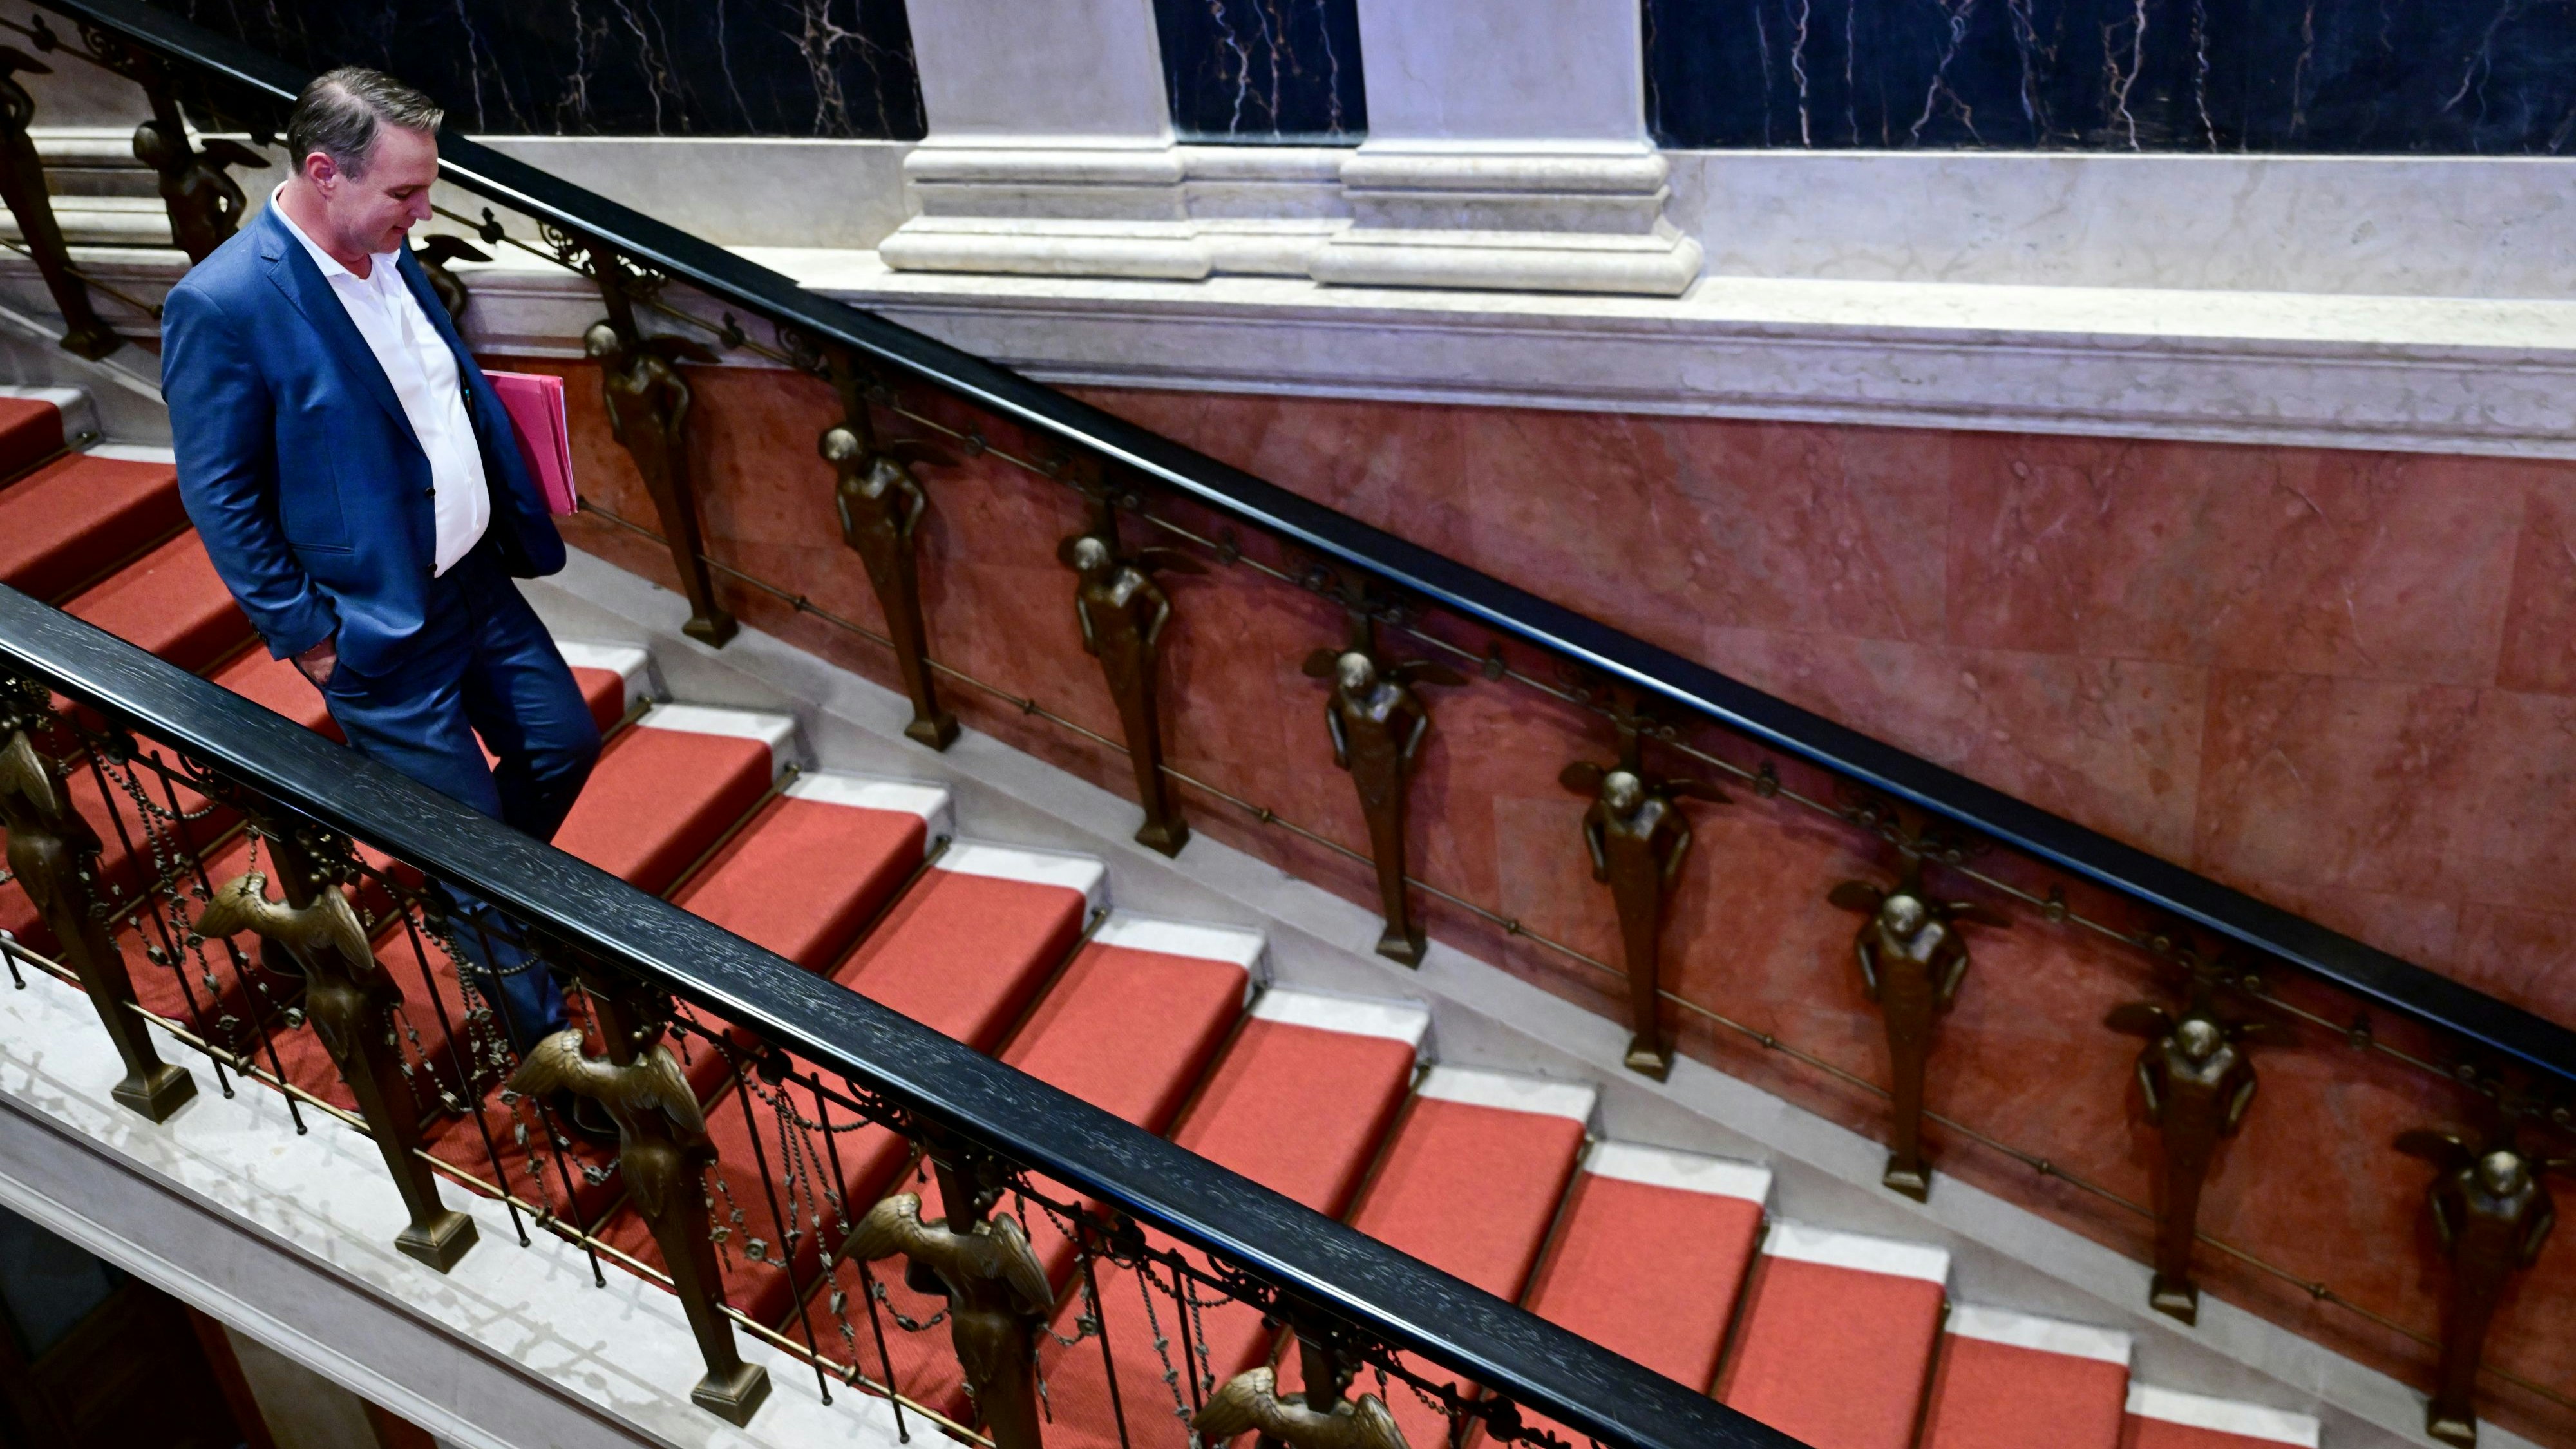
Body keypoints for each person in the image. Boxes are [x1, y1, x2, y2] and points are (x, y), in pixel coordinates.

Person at [160, 67, 598, 1056]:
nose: (423, 208)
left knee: (563, 744)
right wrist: (310, 636)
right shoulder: (224, 303)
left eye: (425, 185)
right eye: (404, 191)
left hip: (474, 584)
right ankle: (555, 1065)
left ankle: (482, 907)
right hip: (375, 626)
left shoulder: (385, 250)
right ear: (324, 173)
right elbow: (220, 494)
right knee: (473, 847)